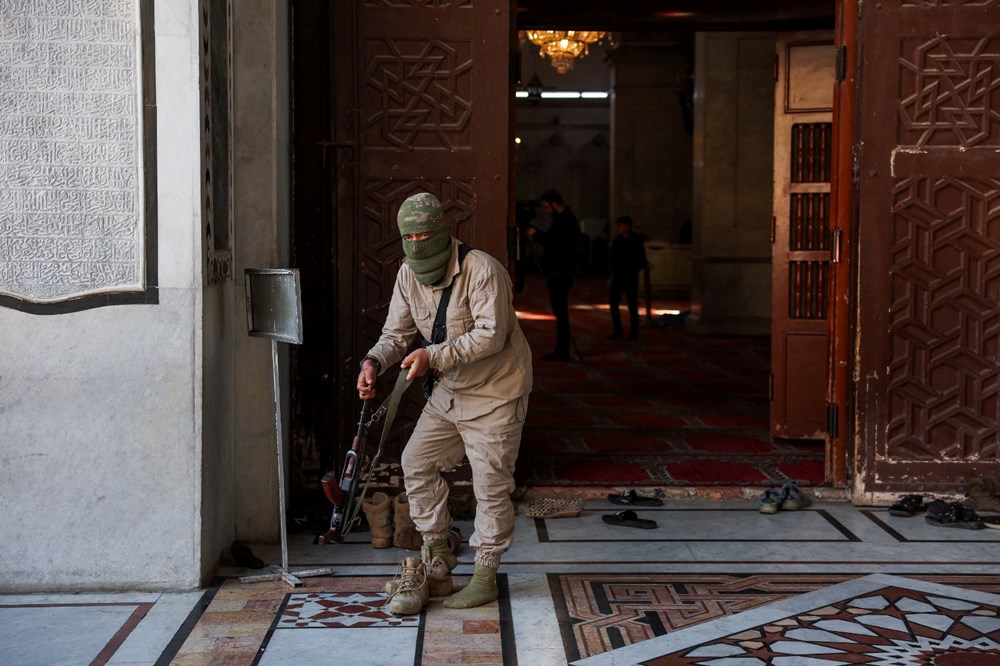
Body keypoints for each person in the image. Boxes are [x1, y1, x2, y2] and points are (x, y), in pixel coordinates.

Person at [357, 192, 533, 615]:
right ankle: (438, 555)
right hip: (451, 391)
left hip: (495, 393)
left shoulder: (483, 270)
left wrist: (431, 356)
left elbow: (491, 335)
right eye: (408, 236)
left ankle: (486, 577)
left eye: (424, 234)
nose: (416, 242)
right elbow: (397, 334)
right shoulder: (406, 274)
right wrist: (373, 362)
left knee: (490, 486)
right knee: (416, 461)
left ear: (443, 232)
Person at [526, 189, 580, 361]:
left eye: (546, 206)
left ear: (553, 202)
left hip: (560, 273)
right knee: (559, 312)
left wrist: (536, 235)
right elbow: (553, 239)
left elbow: (555, 244)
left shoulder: (566, 220)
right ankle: (561, 348)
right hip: (557, 272)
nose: (546, 210)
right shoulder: (561, 219)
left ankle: (563, 350)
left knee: (561, 312)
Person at [608, 215, 647, 340]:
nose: (618, 228)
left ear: (627, 227)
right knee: (613, 303)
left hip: (630, 277)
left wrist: (632, 268)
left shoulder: (636, 241)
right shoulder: (617, 241)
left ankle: (634, 333)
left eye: (620, 226)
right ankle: (618, 331)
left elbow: (641, 260)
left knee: (632, 305)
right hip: (618, 277)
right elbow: (613, 259)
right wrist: (615, 270)